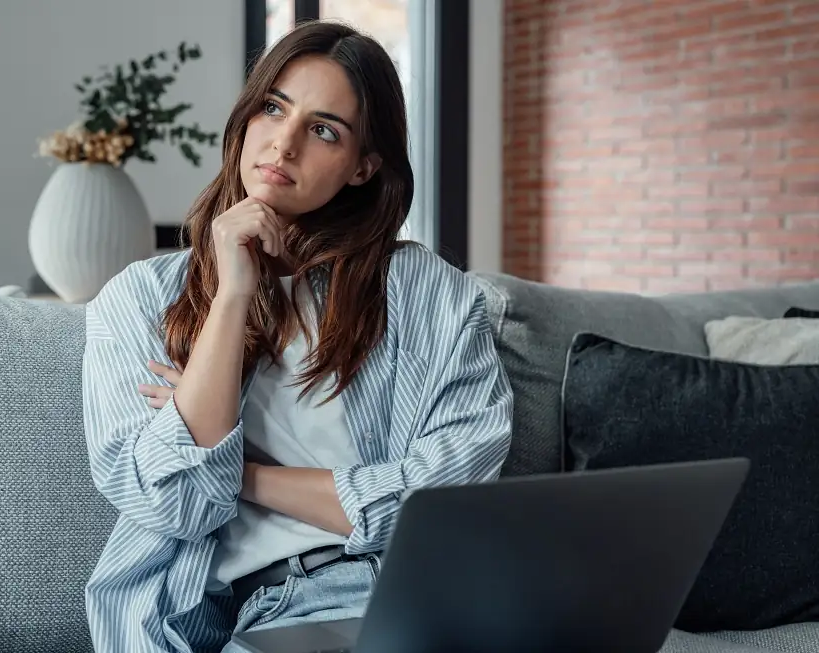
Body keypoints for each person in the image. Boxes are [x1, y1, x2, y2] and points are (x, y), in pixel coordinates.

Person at [81, 20, 513, 653]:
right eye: (273, 108)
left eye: (322, 130)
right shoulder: (140, 300)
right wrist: (231, 295)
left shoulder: (427, 293)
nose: (282, 145)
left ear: (363, 166)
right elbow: (173, 502)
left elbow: (444, 504)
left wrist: (245, 473)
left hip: (415, 595)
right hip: (262, 610)